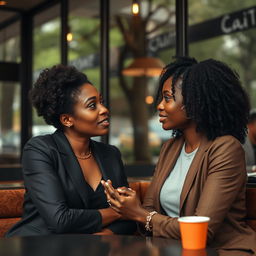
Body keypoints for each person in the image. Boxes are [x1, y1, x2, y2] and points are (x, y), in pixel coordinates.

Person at [102, 57, 256, 254]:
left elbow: (202, 230)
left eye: (167, 98)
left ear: (194, 104)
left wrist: (139, 214)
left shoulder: (226, 149)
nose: (159, 105)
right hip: (171, 249)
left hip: (221, 250)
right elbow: (149, 208)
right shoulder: (170, 148)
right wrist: (135, 209)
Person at [5, 65, 135, 237]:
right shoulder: (40, 150)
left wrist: (103, 237)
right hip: (39, 247)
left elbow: (129, 219)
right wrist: (117, 212)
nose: (104, 110)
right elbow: (60, 220)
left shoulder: (110, 154)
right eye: (92, 105)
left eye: (101, 102)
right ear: (67, 119)